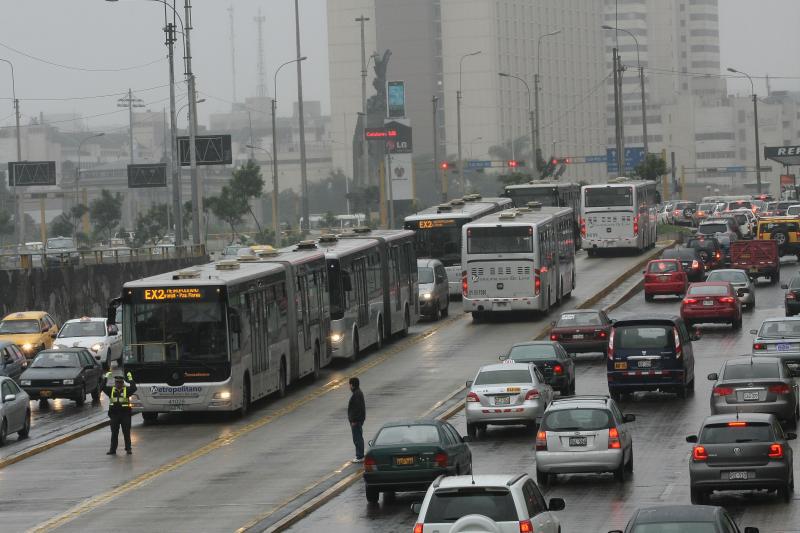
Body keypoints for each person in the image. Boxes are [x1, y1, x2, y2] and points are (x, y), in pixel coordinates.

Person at [103, 371, 137, 455]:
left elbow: (134, 388)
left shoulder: (126, 390)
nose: (119, 384)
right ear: (115, 383)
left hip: (125, 415)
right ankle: (112, 449)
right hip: (114, 415)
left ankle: (128, 448)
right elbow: (102, 387)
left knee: (126, 432)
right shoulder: (111, 390)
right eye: (117, 382)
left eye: (120, 382)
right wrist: (106, 378)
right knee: (114, 433)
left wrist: (130, 379)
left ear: (123, 383)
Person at [347, 376, 366, 463]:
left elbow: (357, 409)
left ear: (353, 385)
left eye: (350, 384)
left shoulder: (357, 394)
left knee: (357, 438)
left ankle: (360, 456)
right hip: (357, 420)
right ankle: (360, 455)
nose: (349, 387)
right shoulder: (357, 393)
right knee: (358, 437)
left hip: (356, 421)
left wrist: (354, 420)